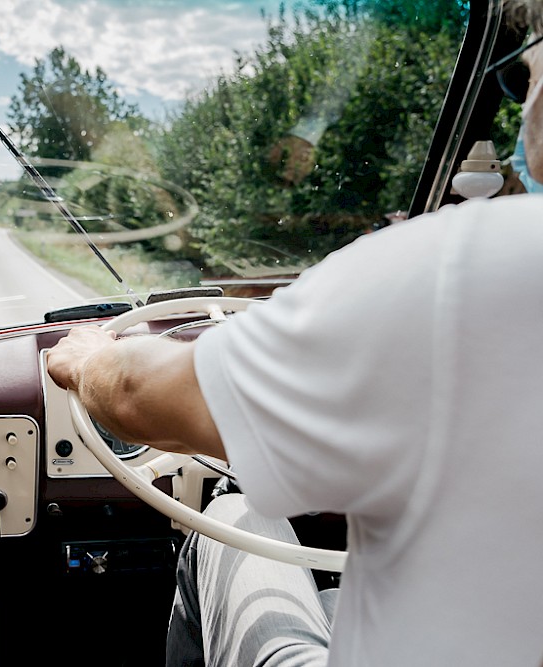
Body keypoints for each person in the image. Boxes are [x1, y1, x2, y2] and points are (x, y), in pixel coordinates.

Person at [45, 2, 543, 665]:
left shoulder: (459, 268)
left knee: (232, 517)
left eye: (518, 76)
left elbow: (138, 395)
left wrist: (88, 358)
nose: (521, 100)